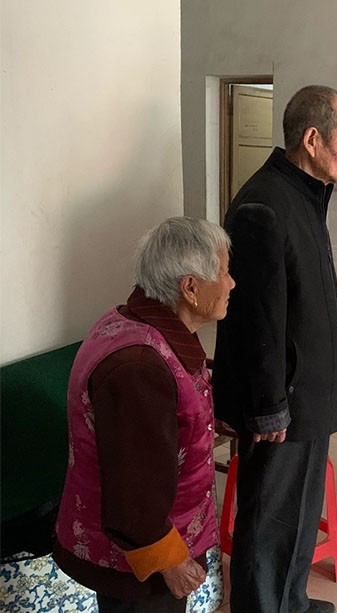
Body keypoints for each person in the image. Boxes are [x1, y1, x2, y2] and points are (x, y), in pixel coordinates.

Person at [212, 85, 337, 613]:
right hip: (282, 401)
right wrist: (268, 405)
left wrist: (334, 313)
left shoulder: (305, 194)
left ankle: (291, 602)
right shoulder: (264, 205)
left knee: (299, 513)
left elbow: (295, 282)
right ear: (313, 139)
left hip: (308, 393)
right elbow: (255, 318)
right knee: (271, 518)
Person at [53, 217, 235, 613]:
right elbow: (134, 494)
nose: (231, 283)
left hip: (148, 544)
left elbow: (165, 416)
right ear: (190, 288)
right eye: (223, 272)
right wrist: (170, 561)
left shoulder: (134, 323)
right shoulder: (139, 367)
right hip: (140, 564)